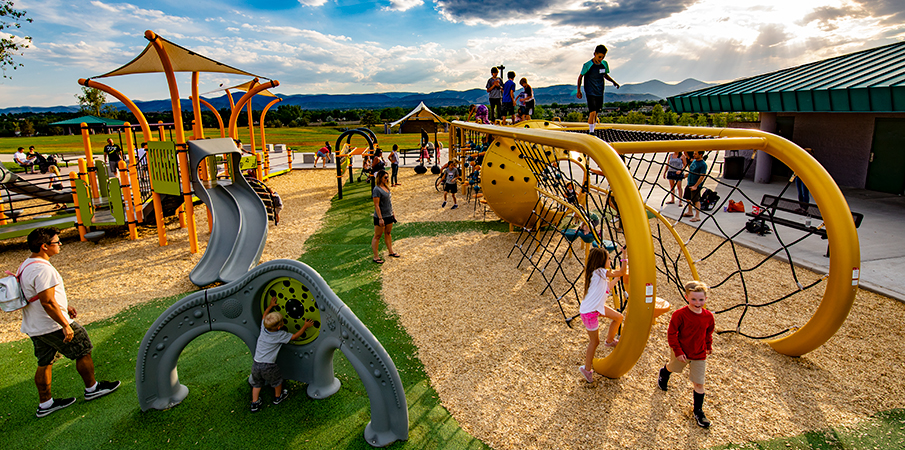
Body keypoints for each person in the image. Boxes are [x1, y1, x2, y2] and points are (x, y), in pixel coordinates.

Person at [19, 227, 121, 418]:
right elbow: (47, 302)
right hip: (52, 325)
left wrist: (65, 306)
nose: (60, 245)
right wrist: (65, 324)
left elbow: (39, 295)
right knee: (83, 349)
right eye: (57, 242)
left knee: (44, 362)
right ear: (44, 246)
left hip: (35, 326)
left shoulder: (26, 265)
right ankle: (93, 389)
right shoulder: (43, 269)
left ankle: (46, 404)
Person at [657, 280, 715, 428]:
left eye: (701, 299)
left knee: (699, 383)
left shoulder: (708, 316)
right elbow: (672, 333)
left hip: (699, 354)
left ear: (705, 299)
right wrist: (677, 351)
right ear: (686, 297)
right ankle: (665, 371)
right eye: (694, 299)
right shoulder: (680, 314)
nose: (697, 302)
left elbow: (708, 332)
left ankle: (698, 411)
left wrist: (708, 345)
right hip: (682, 352)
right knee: (674, 368)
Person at [250, 295, 313, 412]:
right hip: (268, 366)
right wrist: (305, 326)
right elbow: (294, 337)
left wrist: (270, 306)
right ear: (280, 326)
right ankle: (278, 396)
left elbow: (264, 316)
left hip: (256, 363)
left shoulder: (264, 326)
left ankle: (254, 402)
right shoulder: (280, 335)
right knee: (277, 381)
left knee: (257, 383)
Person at [578, 247, 628, 383]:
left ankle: (610, 341)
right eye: (608, 258)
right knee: (594, 342)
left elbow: (607, 289)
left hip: (597, 307)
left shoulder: (598, 274)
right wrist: (624, 255)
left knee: (618, 317)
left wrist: (617, 278)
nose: (610, 261)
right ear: (601, 261)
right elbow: (623, 271)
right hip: (589, 312)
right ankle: (586, 370)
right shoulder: (600, 272)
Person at [577, 44, 620, 135]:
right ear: (595, 54)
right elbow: (580, 77)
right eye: (599, 57)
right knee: (592, 111)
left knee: (596, 112)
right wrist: (578, 90)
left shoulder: (604, 64)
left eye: (602, 57)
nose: (600, 59)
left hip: (599, 90)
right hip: (590, 90)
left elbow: (605, 75)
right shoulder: (587, 65)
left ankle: (593, 127)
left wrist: (614, 82)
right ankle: (591, 131)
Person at [371, 170, 399, 264]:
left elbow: (389, 203)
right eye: (385, 177)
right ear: (380, 178)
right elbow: (377, 205)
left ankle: (391, 251)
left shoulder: (386, 187)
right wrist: (380, 218)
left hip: (389, 214)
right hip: (381, 216)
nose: (387, 179)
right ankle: (376, 256)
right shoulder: (377, 189)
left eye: (387, 177)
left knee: (388, 233)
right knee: (377, 236)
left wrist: (392, 212)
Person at [682, 151, 707, 222]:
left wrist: (696, 186)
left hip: (695, 185)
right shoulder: (694, 161)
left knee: (696, 200)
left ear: (701, 155)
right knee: (687, 198)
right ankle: (690, 212)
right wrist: (686, 175)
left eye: (696, 154)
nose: (694, 155)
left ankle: (697, 216)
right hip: (689, 183)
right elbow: (691, 170)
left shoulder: (703, 164)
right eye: (694, 153)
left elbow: (702, 176)